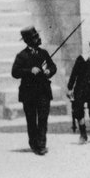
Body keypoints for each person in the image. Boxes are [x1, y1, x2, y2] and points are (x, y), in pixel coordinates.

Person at [11, 25, 57, 155]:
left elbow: (53, 66)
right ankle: (33, 143)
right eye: (34, 37)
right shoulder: (21, 56)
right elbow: (14, 72)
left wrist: (49, 71)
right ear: (27, 41)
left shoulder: (44, 53)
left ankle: (41, 145)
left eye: (37, 36)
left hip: (43, 91)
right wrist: (29, 71)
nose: (38, 38)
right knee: (31, 120)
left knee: (43, 119)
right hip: (28, 93)